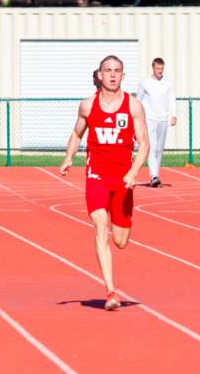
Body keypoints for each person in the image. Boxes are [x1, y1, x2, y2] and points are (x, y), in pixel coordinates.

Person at [60, 55, 150, 310]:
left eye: (117, 71)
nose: (112, 75)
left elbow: (144, 143)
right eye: (108, 71)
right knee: (100, 227)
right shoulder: (88, 106)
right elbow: (77, 134)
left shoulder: (133, 106)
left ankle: (112, 282)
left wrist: (133, 172)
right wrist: (68, 157)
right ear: (99, 75)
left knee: (121, 241)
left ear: (123, 76)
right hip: (96, 177)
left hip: (123, 179)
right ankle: (111, 291)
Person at [136, 57, 176, 188]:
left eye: (161, 69)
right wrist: (137, 117)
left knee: (159, 148)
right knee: (151, 147)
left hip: (163, 119)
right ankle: (153, 176)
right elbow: (138, 100)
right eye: (158, 69)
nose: (160, 71)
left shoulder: (167, 84)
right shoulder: (145, 83)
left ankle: (156, 174)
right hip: (149, 119)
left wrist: (173, 115)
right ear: (153, 68)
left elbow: (171, 99)